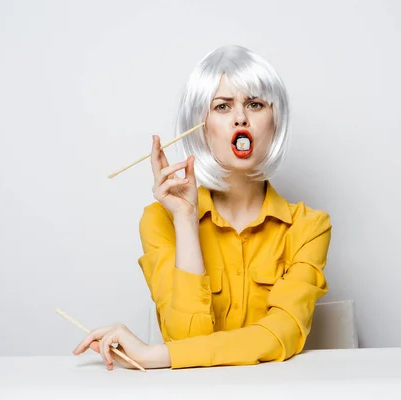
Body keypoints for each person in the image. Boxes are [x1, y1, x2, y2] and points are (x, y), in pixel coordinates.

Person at [73, 45, 332, 370]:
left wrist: (154, 355)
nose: (241, 118)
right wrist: (185, 220)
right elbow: (185, 337)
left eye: (254, 104)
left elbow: (281, 335)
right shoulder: (159, 220)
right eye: (222, 106)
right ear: (201, 125)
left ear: (275, 121)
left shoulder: (310, 227)